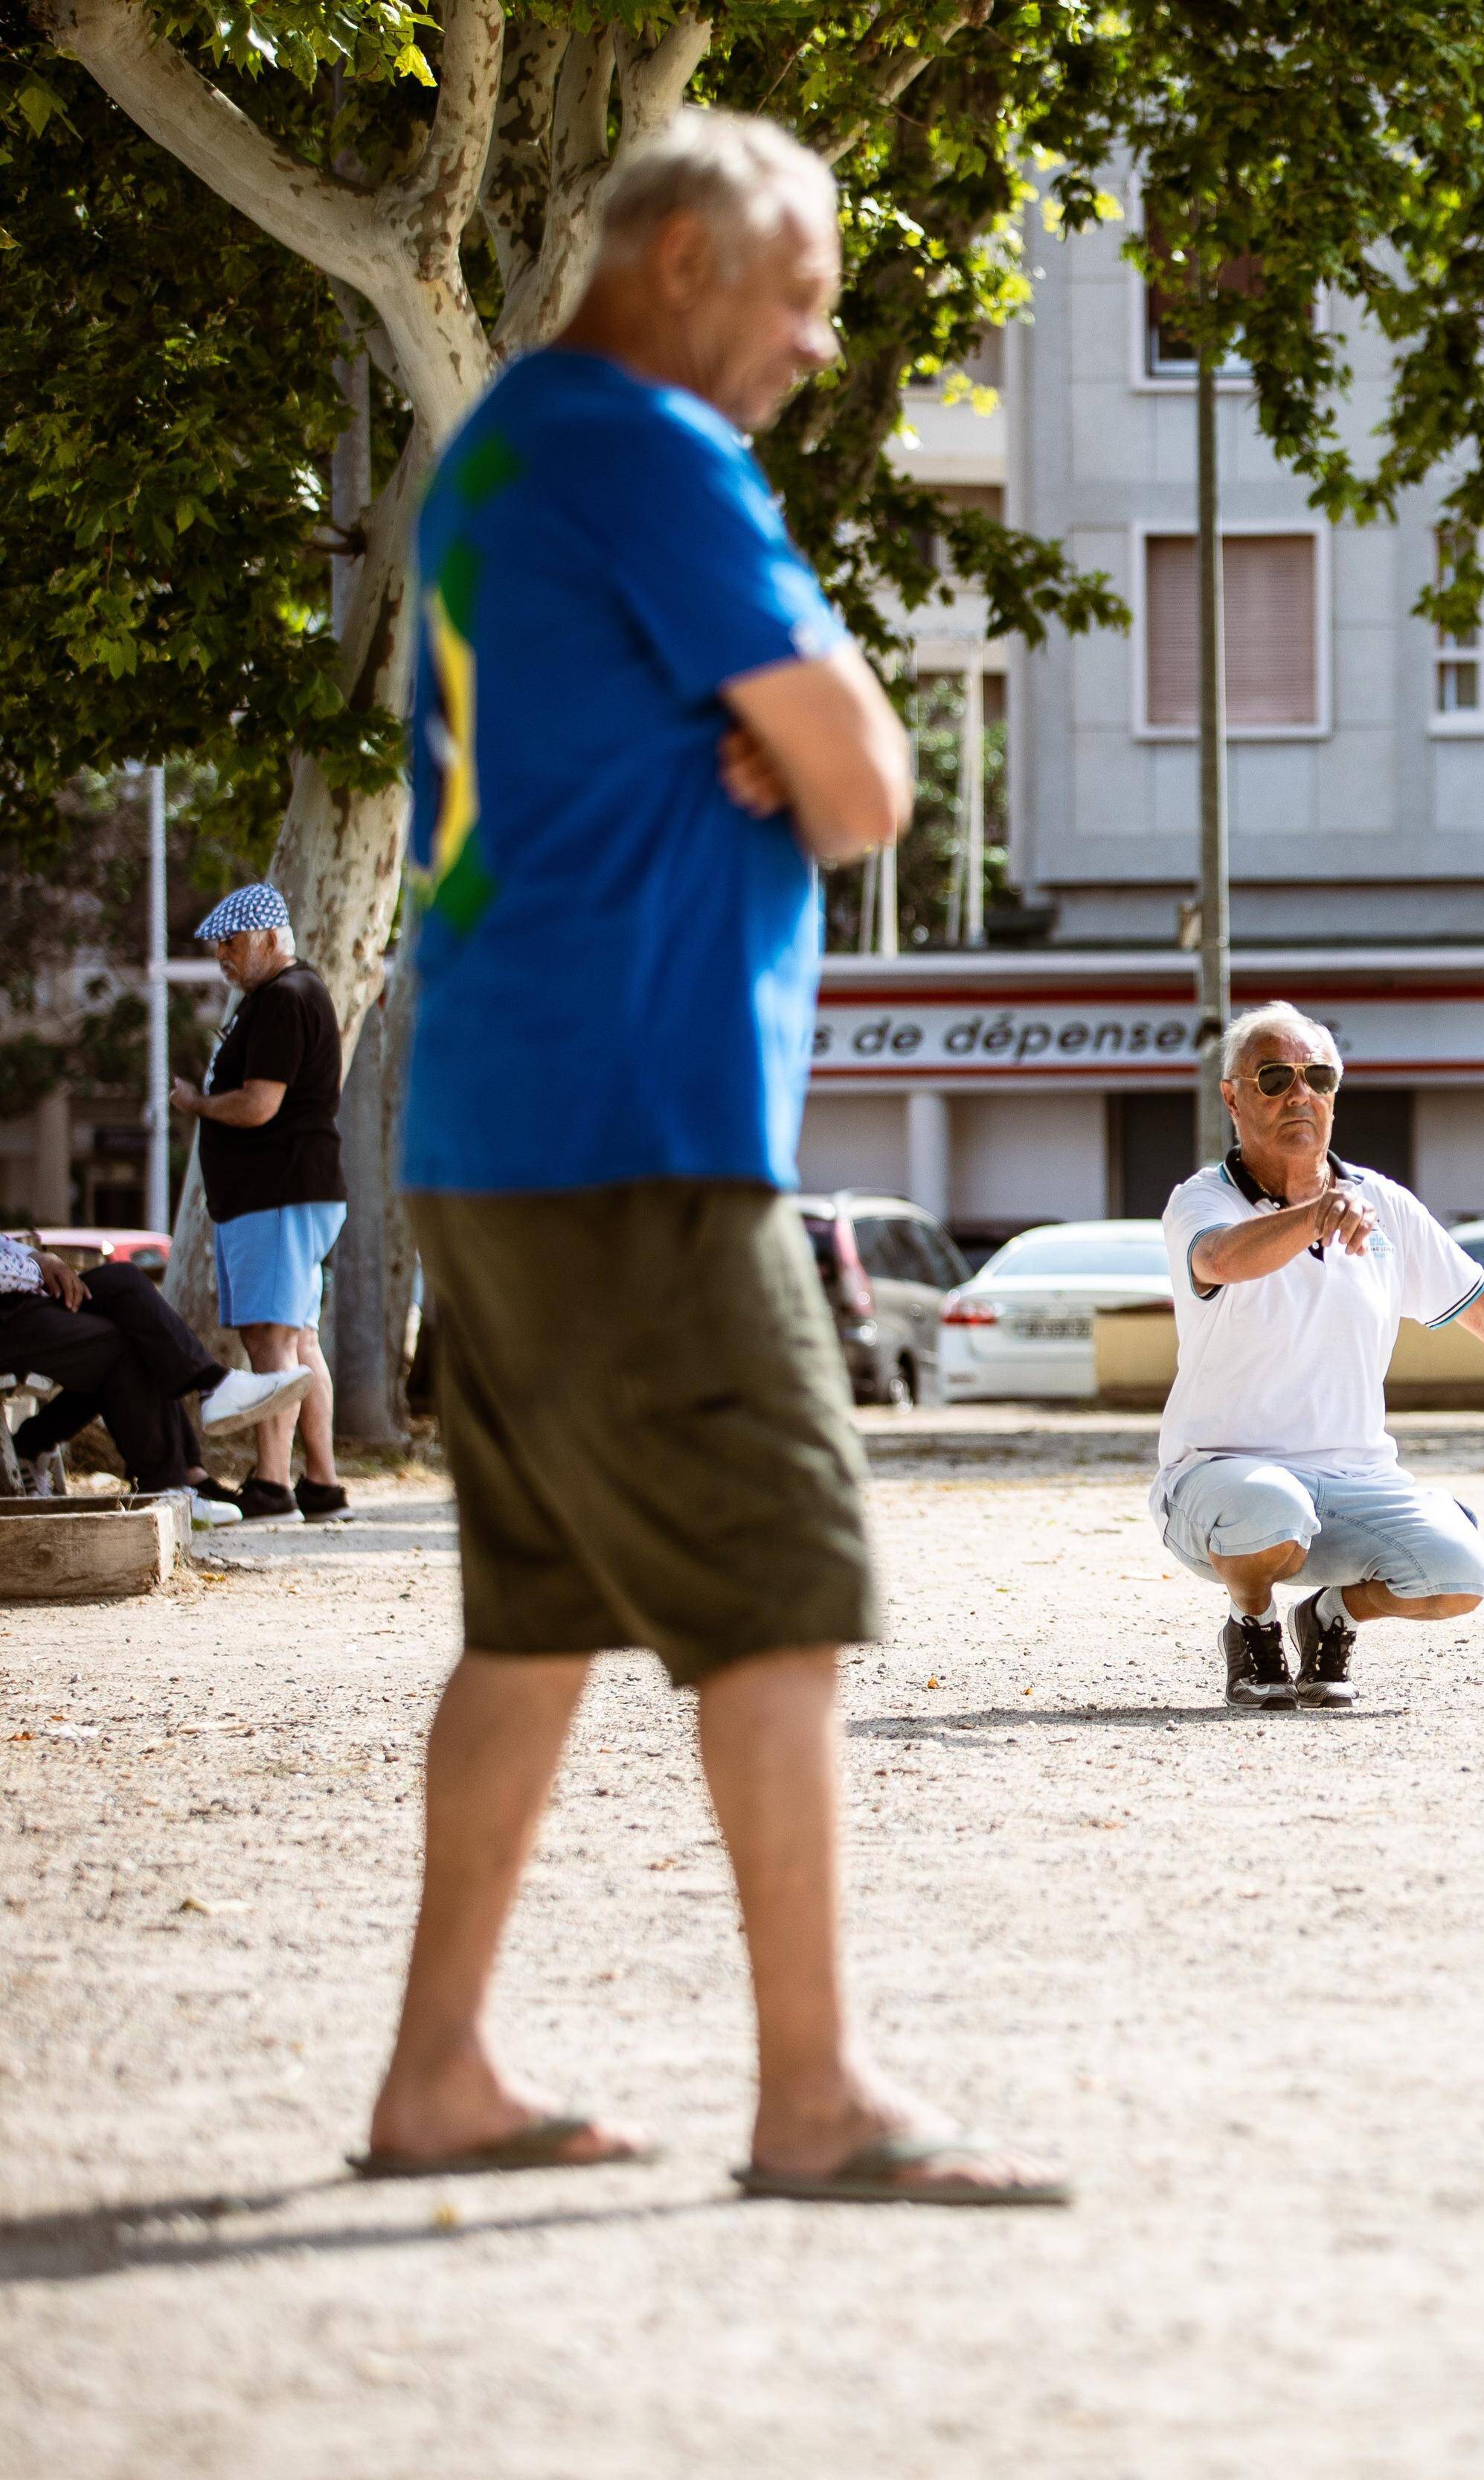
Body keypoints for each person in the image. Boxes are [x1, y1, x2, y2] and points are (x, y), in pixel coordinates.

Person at [364, 111, 1059, 2205]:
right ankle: (819, 2092)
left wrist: (795, 737)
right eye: (804, 294)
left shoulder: (503, 446)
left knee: (535, 1613)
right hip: (639, 1126)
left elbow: (815, 762)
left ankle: (438, 2069)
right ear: (681, 264)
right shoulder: (652, 449)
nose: (820, 346)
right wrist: (821, 736)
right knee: (779, 1588)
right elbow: (864, 783)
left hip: (491, 1127)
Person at [1160, 1002, 1484, 1709]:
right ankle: (1252, 1622)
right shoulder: (1202, 1202)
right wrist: (1314, 1216)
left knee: (1458, 1574)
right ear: (1232, 1097)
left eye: (1318, 1076)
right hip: (1218, 1485)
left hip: (1351, 1482)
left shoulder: (1382, 1203)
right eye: (1274, 1077)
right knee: (1270, 1506)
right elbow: (1220, 1259)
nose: (1300, 1093)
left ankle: (1330, 1616)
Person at [172, 883, 348, 1524]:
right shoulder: (285, 995)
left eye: (233, 942)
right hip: (292, 1191)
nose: (222, 953)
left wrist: (194, 1103)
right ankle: (322, 1484)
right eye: (217, 943)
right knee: (298, 1339)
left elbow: (258, 1104)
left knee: (270, 1340)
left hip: (278, 1193)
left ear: (272, 939)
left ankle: (273, 1485)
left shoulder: (282, 997)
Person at [0, 1227, 308, 1518]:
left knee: (123, 1281)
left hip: (20, 1293)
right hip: (10, 1305)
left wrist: (38, 1258)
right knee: (128, 1344)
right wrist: (36, 1272)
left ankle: (211, 1396)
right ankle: (165, 1484)